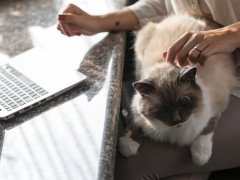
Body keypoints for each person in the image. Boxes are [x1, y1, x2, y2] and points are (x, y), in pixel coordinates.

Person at [57, 0, 240, 179]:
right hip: (185, 74)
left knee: (128, 169)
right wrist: (101, 21)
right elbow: (163, 4)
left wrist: (233, 33)